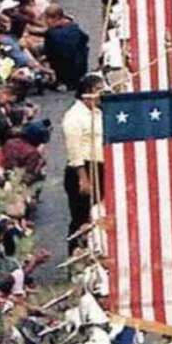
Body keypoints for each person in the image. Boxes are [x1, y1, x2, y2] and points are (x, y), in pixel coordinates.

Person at [60, 72, 104, 250]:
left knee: (96, 214)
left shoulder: (96, 112)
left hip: (98, 167)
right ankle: (76, 255)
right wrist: (83, 178)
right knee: (81, 218)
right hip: (83, 169)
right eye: (99, 90)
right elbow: (74, 150)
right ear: (88, 91)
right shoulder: (74, 116)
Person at [42, 3, 89, 90]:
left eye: (46, 18)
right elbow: (85, 39)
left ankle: (60, 80)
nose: (45, 21)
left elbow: (48, 53)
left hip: (64, 70)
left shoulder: (51, 34)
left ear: (55, 18)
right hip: (80, 68)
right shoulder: (74, 27)